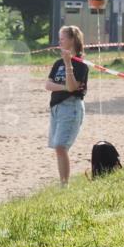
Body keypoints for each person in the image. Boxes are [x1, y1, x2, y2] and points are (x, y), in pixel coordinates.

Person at [45, 26, 90, 186]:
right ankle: (63, 182)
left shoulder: (81, 66)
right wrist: (64, 87)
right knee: (58, 148)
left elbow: (73, 88)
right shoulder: (58, 63)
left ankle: (65, 184)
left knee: (60, 146)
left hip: (71, 107)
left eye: (62, 38)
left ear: (72, 40)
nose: (59, 42)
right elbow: (48, 85)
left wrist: (68, 63)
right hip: (56, 107)